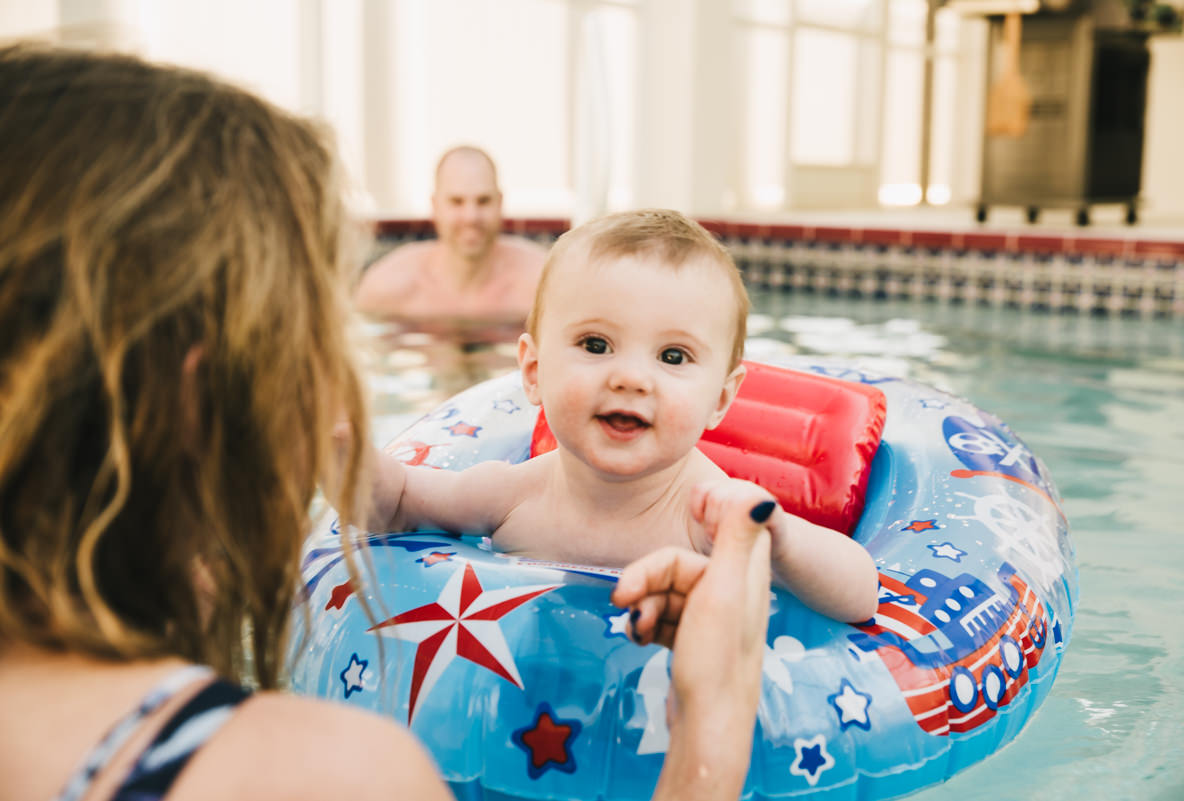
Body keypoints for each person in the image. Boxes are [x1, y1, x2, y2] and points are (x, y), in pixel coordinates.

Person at [0, 45, 773, 801]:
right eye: (309, 327)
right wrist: (715, 719)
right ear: (205, 391)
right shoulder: (322, 775)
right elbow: (400, 499)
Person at [367, 210, 879, 624]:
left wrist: (778, 539)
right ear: (534, 371)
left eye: (673, 357)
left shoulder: (707, 519)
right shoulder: (510, 495)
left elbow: (861, 594)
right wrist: (339, 446)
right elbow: (397, 504)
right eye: (596, 344)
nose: (631, 378)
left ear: (721, 400)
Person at [353, 146, 548, 322]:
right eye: (456, 202)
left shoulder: (540, 286)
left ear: (499, 203)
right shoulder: (388, 289)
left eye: (483, 201)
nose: (471, 217)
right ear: (435, 205)